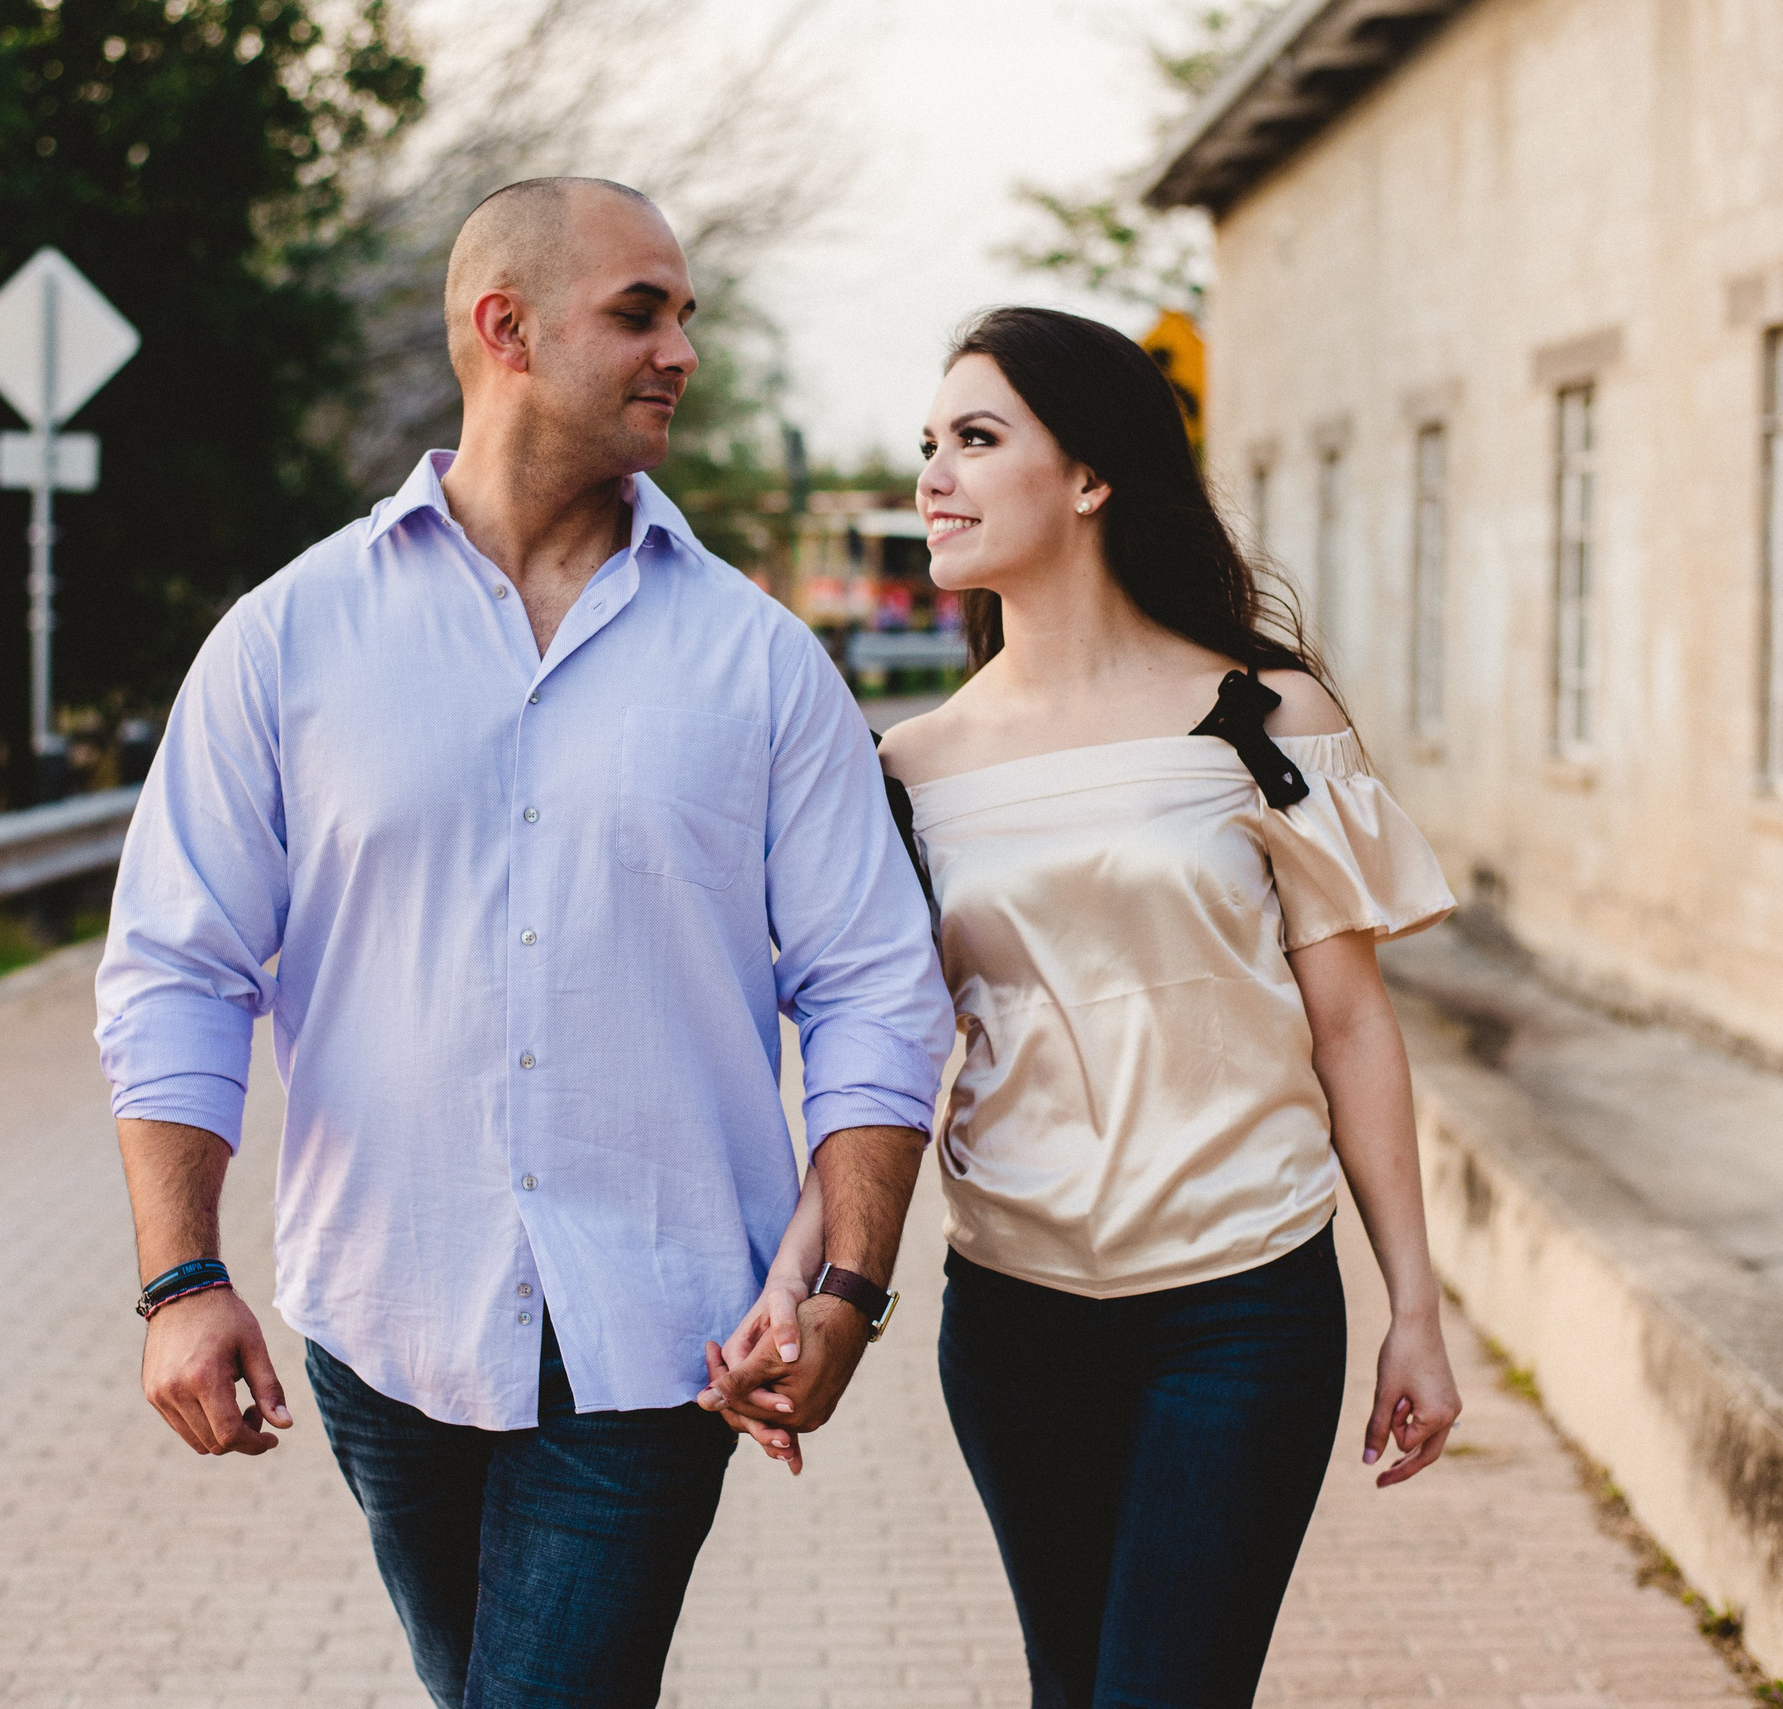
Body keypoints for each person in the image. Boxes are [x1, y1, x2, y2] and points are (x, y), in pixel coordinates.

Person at [93, 177, 955, 1709]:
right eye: (642, 311)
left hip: (663, 1333)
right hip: (387, 1318)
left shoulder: (761, 668)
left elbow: (873, 988)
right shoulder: (291, 640)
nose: (681, 348)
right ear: (506, 327)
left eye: (686, 313)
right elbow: (178, 964)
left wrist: (854, 1286)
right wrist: (179, 1279)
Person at [709, 306, 1466, 1706]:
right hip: (1015, 1318)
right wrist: (795, 1280)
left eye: (978, 440)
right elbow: (882, 1062)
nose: (935, 476)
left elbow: (1353, 1025)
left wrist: (1413, 1301)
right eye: (929, 444)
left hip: (1242, 1306)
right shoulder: (912, 767)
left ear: (1094, 476)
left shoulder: (1259, 718)